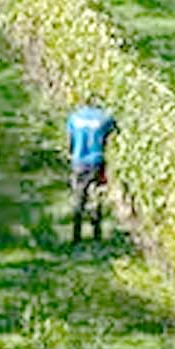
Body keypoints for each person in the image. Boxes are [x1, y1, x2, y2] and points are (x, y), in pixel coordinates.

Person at [67, 100, 116, 245]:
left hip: (78, 162)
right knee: (95, 196)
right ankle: (96, 234)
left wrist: (71, 154)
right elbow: (112, 131)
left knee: (78, 196)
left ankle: (76, 235)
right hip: (96, 161)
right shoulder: (104, 118)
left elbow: (70, 140)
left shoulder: (74, 117)